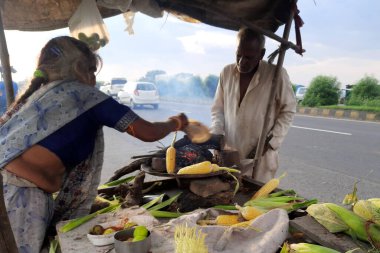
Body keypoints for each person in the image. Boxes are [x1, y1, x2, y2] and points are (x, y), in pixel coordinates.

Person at [0, 36, 188, 253]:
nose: (93, 79)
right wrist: (176, 122)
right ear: (78, 67)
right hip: (17, 196)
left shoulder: (42, 96)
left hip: (17, 191)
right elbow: (147, 132)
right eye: (91, 70)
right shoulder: (85, 96)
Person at [210, 27, 296, 183]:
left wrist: (270, 141)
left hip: (260, 158)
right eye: (238, 55)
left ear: (261, 54)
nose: (242, 62)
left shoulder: (276, 74)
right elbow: (218, 109)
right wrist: (217, 135)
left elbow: (288, 110)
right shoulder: (226, 72)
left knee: (253, 201)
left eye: (249, 57)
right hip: (229, 155)